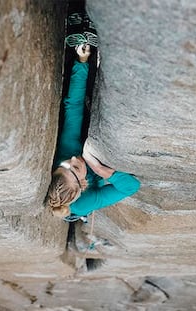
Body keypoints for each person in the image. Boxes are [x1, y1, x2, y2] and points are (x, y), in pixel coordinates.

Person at [46, 44, 140, 221]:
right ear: (82, 184)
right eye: (74, 167)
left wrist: (81, 62)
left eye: (65, 165)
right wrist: (99, 168)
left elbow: (73, 107)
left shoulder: (67, 152)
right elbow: (131, 187)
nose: (73, 159)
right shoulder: (84, 202)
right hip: (82, 201)